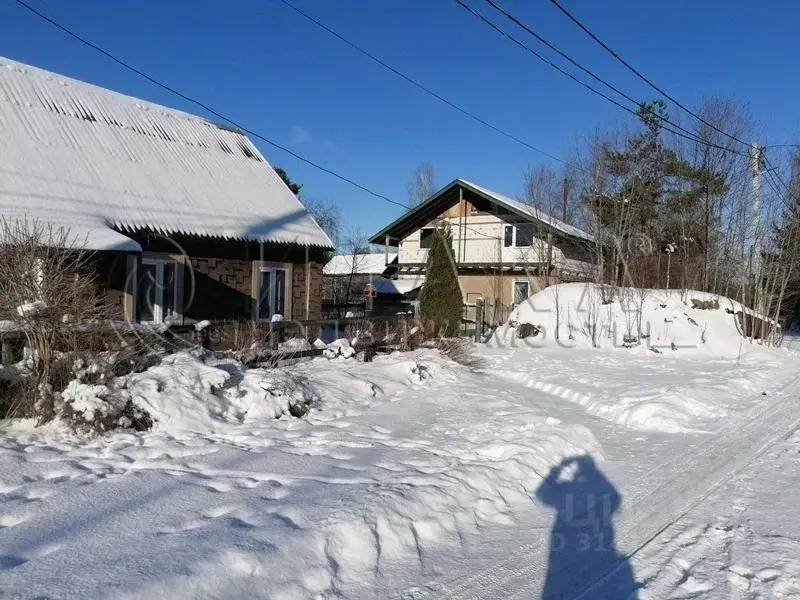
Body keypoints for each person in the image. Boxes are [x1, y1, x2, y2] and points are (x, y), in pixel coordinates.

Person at [535, 455, 638, 599]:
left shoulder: (570, 488)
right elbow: (615, 498)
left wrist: (554, 472)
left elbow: (543, 494)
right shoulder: (590, 486)